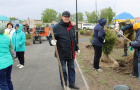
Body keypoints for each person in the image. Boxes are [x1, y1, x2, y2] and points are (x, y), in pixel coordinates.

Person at [49, 10, 80, 89]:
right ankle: (64, 84)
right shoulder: (57, 27)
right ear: (62, 17)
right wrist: (51, 41)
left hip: (70, 52)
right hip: (61, 53)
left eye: (68, 17)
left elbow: (73, 39)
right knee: (63, 70)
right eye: (65, 17)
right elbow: (50, 37)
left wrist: (77, 48)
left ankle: (72, 83)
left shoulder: (71, 27)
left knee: (72, 68)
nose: (67, 18)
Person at [0, 22, 14, 90]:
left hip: (1, 65)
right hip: (9, 62)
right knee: (8, 80)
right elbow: (11, 49)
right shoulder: (7, 37)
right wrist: (12, 57)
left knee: (2, 83)